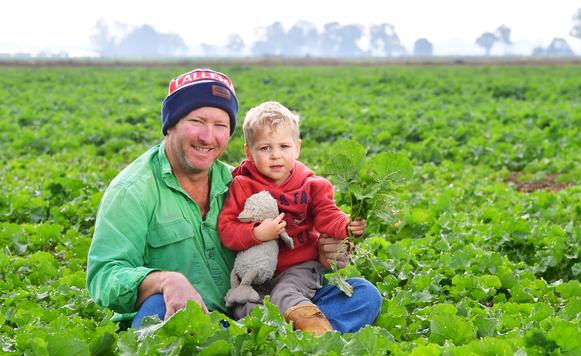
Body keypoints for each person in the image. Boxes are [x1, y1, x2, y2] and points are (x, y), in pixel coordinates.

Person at [85, 68, 381, 333]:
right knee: (156, 315)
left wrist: (323, 250)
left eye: (220, 125)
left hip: (253, 306)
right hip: (194, 318)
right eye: (196, 121)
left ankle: (272, 336)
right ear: (171, 124)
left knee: (361, 294)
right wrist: (165, 280)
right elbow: (104, 277)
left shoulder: (241, 183)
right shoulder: (133, 190)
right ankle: (284, 340)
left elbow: (283, 246)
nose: (207, 136)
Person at [218, 101, 366, 335]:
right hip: (256, 273)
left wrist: (347, 226)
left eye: (284, 147)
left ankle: (317, 335)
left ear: (297, 148)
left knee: (286, 294)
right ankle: (269, 337)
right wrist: (256, 233)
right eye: (265, 148)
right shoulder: (242, 184)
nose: (275, 156)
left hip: (300, 267)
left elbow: (328, 215)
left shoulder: (312, 185)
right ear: (249, 152)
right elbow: (226, 229)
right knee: (244, 304)